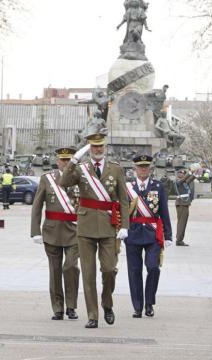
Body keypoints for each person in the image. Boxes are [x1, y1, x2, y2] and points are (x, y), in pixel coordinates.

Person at [60, 133, 129, 329]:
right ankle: (93, 315)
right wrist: (73, 160)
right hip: (86, 226)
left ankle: (107, 303)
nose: (98, 150)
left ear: (104, 147)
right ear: (89, 148)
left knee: (109, 270)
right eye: (94, 147)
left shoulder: (115, 169)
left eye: (100, 146)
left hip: (109, 226)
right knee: (88, 274)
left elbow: (123, 199)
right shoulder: (81, 170)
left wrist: (125, 225)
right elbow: (63, 182)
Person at [31, 147, 81, 321]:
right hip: (52, 231)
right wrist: (35, 231)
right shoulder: (47, 179)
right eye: (63, 160)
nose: (66, 163)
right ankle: (58, 308)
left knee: (71, 267)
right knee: (55, 270)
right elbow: (37, 206)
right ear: (57, 161)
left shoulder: (80, 178)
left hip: (74, 230)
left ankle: (72, 306)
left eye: (69, 160)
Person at [124, 154, 172, 318]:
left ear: (150, 168)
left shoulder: (157, 186)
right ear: (135, 169)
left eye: (146, 167)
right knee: (134, 271)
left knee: (153, 268)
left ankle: (149, 302)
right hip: (133, 232)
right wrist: (121, 229)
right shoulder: (128, 187)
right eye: (140, 167)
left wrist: (169, 235)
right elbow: (122, 211)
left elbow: (164, 211)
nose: (143, 169)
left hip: (152, 233)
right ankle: (137, 306)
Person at [174, 168, 195, 246]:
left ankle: (180, 239)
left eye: (183, 173)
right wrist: (189, 172)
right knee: (181, 223)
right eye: (181, 173)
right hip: (181, 203)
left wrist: (194, 173)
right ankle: (179, 240)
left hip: (185, 203)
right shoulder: (177, 181)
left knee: (183, 222)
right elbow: (184, 179)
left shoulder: (183, 182)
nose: (182, 174)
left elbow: (189, 179)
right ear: (178, 174)